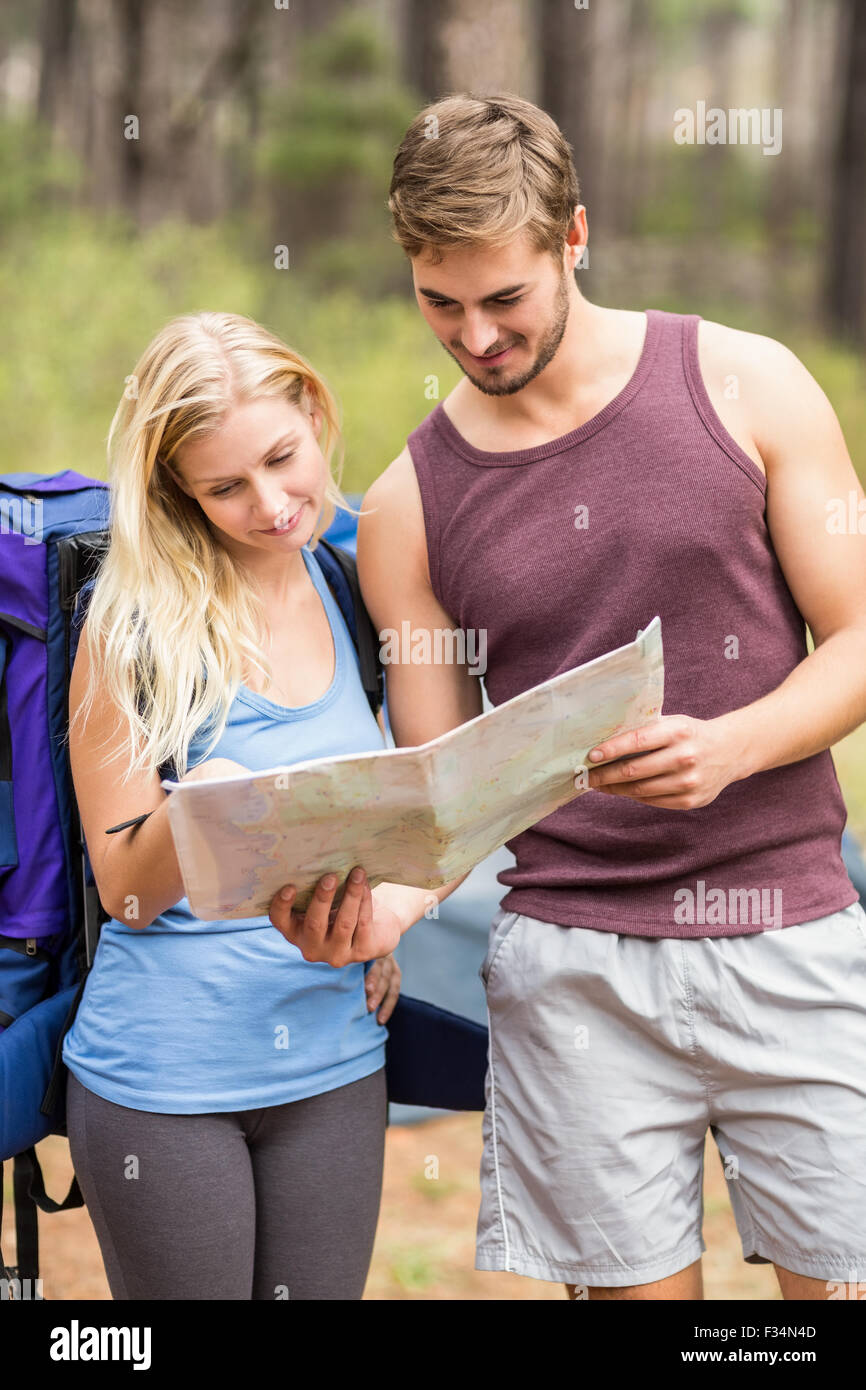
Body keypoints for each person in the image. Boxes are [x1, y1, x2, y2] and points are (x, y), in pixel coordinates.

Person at [333, 92, 866, 1301]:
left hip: (789, 934)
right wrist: (385, 901)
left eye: (504, 298)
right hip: (571, 965)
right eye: (438, 302)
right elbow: (442, 791)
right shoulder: (406, 507)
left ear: (572, 236)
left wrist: (730, 747)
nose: (472, 336)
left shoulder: (746, 383)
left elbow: (857, 635)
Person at [63, 310, 464, 1301]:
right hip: (165, 1082)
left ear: (313, 412)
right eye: (225, 487)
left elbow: (437, 803)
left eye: (284, 458)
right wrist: (196, 814)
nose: (274, 502)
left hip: (332, 1058)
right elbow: (124, 891)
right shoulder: (130, 628)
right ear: (176, 493)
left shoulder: (351, 576)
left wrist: (385, 915)